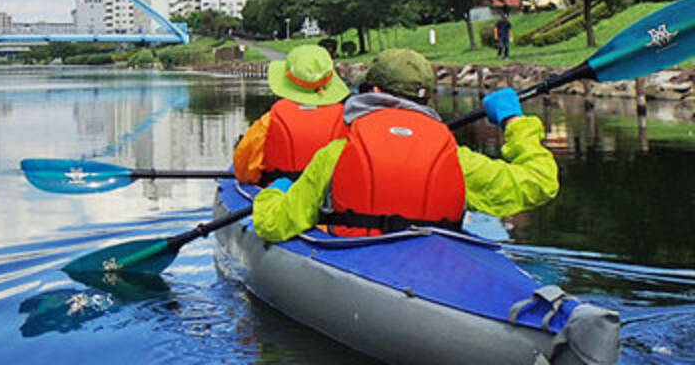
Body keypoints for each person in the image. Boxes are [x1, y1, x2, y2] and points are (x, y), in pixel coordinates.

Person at [253, 48, 558, 241]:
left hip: (354, 262)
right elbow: (541, 182)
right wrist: (513, 121)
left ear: (372, 91)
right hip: (437, 266)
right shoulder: (454, 158)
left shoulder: (337, 153)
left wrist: (274, 193)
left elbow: (272, 225)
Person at [233, 45, 351, 185]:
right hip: (330, 198)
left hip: (281, 197)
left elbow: (244, 172)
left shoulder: (268, 121)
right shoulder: (349, 122)